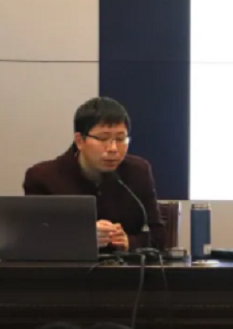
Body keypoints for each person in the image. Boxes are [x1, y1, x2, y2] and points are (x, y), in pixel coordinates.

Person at [23, 97, 165, 251]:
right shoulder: (43, 177)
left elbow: (159, 236)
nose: (113, 148)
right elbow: (33, 239)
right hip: (69, 266)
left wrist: (129, 242)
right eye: (103, 138)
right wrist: (83, 237)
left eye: (120, 139)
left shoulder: (138, 171)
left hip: (124, 266)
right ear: (80, 141)